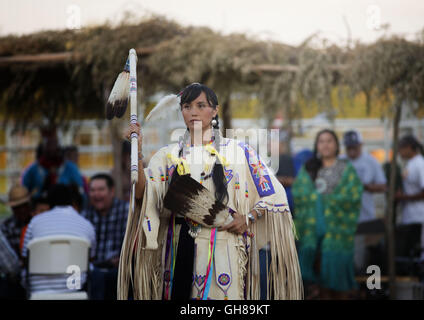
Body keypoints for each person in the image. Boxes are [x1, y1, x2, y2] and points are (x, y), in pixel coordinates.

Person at [119, 83, 302, 300]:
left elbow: (274, 193)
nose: (193, 111)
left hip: (224, 249)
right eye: (187, 106)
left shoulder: (238, 152)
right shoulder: (167, 156)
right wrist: (137, 153)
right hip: (177, 251)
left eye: (200, 105)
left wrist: (249, 216)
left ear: (214, 110)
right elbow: (144, 194)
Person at [292, 129, 363, 299]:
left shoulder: (346, 169)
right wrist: (316, 200)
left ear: (337, 145)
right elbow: (299, 193)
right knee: (322, 287)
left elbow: (353, 196)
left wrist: (325, 202)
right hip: (314, 236)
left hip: (337, 235)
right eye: (321, 141)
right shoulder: (309, 168)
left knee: (340, 288)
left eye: (329, 140)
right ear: (317, 145)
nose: (325, 144)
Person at [21, 184, 96, 295]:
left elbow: (25, 257)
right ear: (72, 201)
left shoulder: (34, 222)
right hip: (74, 288)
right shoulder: (86, 225)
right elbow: (90, 258)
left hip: (39, 290)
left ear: (49, 202)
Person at [342, 130, 387, 274]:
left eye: (355, 147)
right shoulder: (340, 161)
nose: (352, 150)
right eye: (349, 147)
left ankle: (363, 291)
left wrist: (365, 186)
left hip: (365, 218)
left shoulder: (371, 161)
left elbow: (383, 186)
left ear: (361, 145)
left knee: (363, 261)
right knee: (347, 259)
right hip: (344, 220)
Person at [81, 173, 129, 300]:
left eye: (101, 189)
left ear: (111, 191)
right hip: (92, 270)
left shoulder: (126, 211)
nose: (96, 194)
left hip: (118, 270)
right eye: (92, 190)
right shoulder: (85, 215)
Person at [396, 135, 424, 259]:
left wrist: (404, 197)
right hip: (410, 217)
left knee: (418, 251)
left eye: (400, 148)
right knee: (410, 250)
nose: (398, 152)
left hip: (420, 217)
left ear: (409, 148)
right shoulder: (410, 164)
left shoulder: (420, 164)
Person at [22, 129, 85, 201]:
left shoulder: (70, 168)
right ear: (43, 147)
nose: (52, 148)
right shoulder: (32, 170)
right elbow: (24, 194)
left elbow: (81, 192)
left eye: (54, 144)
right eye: (49, 144)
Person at [1, 184, 32, 257]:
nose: (22, 210)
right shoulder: (6, 227)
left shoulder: (35, 222)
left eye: (24, 205)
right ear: (12, 208)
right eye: (18, 207)